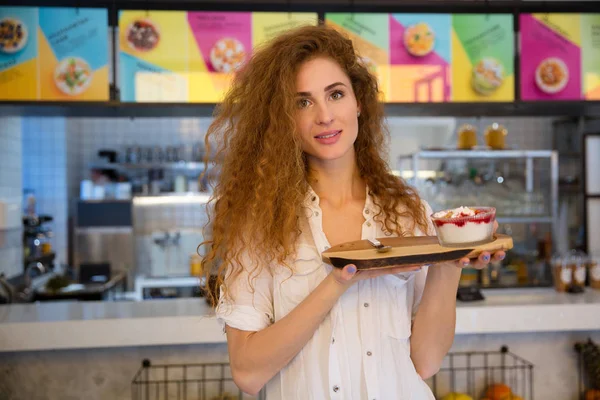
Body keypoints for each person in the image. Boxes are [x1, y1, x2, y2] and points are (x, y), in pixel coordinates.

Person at [201, 24, 505, 400]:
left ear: (358, 101)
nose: (325, 115)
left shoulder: (408, 211)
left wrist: (448, 262)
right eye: (302, 102)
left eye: (336, 94)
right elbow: (247, 372)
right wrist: (341, 279)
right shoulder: (261, 223)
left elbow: (426, 362)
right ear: (283, 120)